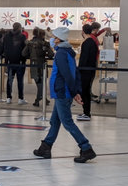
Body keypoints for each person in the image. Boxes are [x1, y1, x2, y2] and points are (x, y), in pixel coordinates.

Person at [33, 27, 96, 163]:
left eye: (54, 37)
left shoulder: (61, 53)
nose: (51, 39)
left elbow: (66, 74)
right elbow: (76, 73)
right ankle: (45, 147)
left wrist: (74, 92)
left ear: (58, 39)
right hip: (62, 92)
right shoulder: (67, 52)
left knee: (67, 122)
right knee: (55, 121)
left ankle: (86, 148)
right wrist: (76, 91)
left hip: (62, 92)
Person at [22, 28, 54, 107]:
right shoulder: (44, 43)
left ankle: (42, 99)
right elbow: (51, 55)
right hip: (42, 64)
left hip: (34, 64)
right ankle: (38, 99)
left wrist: (31, 54)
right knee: (42, 82)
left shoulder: (30, 43)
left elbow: (23, 54)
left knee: (39, 82)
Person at [77, 24, 98, 121]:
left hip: (85, 71)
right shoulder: (92, 42)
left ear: (83, 31)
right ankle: (86, 112)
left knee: (85, 92)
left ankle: (86, 113)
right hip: (90, 70)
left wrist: (79, 69)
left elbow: (84, 59)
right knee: (86, 91)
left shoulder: (86, 43)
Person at [3, 22, 27, 105]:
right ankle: (20, 98)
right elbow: (25, 49)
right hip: (20, 61)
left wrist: (6, 60)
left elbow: (4, 48)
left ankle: (8, 97)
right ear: (20, 28)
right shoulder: (22, 37)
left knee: (9, 80)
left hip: (10, 61)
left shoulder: (6, 36)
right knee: (20, 80)